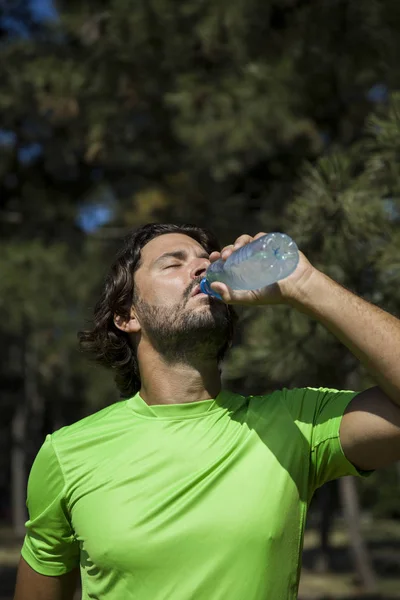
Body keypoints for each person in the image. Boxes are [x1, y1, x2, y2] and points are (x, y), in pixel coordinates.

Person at [14, 223, 400, 600]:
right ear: (126, 316)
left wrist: (307, 285)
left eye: (204, 259)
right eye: (173, 263)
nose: (202, 266)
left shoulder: (296, 422)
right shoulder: (66, 454)